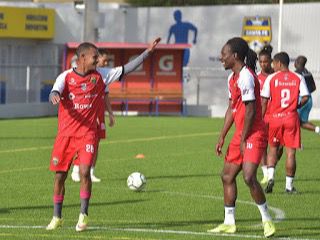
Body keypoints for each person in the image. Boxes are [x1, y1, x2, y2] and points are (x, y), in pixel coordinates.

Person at [46, 38, 161, 231]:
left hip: (87, 134)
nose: (98, 59)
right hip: (65, 135)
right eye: (95, 56)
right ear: (82, 57)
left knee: (84, 172)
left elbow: (127, 68)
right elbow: (54, 91)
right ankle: (57, 216)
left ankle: (83, 215)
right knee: (59, 176)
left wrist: (147, 52)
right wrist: (54, 96)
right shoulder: (65, 77)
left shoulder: (102, 75)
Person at [208, 37, 275, 238]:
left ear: (235, 56)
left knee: (248, 177)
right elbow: (232, 108)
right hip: (242, 133)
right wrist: (222, 136)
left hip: (253, 132)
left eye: (224, 55)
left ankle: (267, 220)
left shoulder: (246, 76)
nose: (221, 58)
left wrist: (244, 139)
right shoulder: (232, 79)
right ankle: (229, 223)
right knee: (227, 176)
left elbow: (251, 111)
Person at [261, 52, 309, 194]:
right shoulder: (298, 77)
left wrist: (261, 119)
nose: (272, 66)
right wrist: (296, 106)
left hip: (275, 118)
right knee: (290, 153)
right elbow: (306, 97)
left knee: (273, 149)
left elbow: (264, 100)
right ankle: (288, 187)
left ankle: (270, 178)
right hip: (291, 118)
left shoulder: (271, 78)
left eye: (274, 64)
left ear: (279, 63)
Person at [71, 49, 115, 183]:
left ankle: (90, 172)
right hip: (88, 113)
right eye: (104, 59)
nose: (105, 62)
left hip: (100, 113)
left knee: (96, 143)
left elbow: (105, 95)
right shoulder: (85, 72)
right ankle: (76, 169)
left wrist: (110, 114)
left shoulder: (103, 76)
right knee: (83, 141)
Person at [257, 45, 274, 185]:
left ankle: (271, 168)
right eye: (261, 62)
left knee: (277, 148)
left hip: (276, 118)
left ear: (271, 61)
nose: (263, 64)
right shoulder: (256, 78)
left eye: (266, 62)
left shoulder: (277, 76)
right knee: (262, 146)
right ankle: (266, 174)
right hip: (262, 117)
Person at [294, 56, 320, 135]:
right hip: (309, 99)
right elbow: (314, 88)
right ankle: (317, 129)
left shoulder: (296, 73)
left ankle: (296, 143)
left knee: (294, 121)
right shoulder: (308, 73)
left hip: (301, 99)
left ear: (297, 62)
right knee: (301, 122)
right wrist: (307, 92)